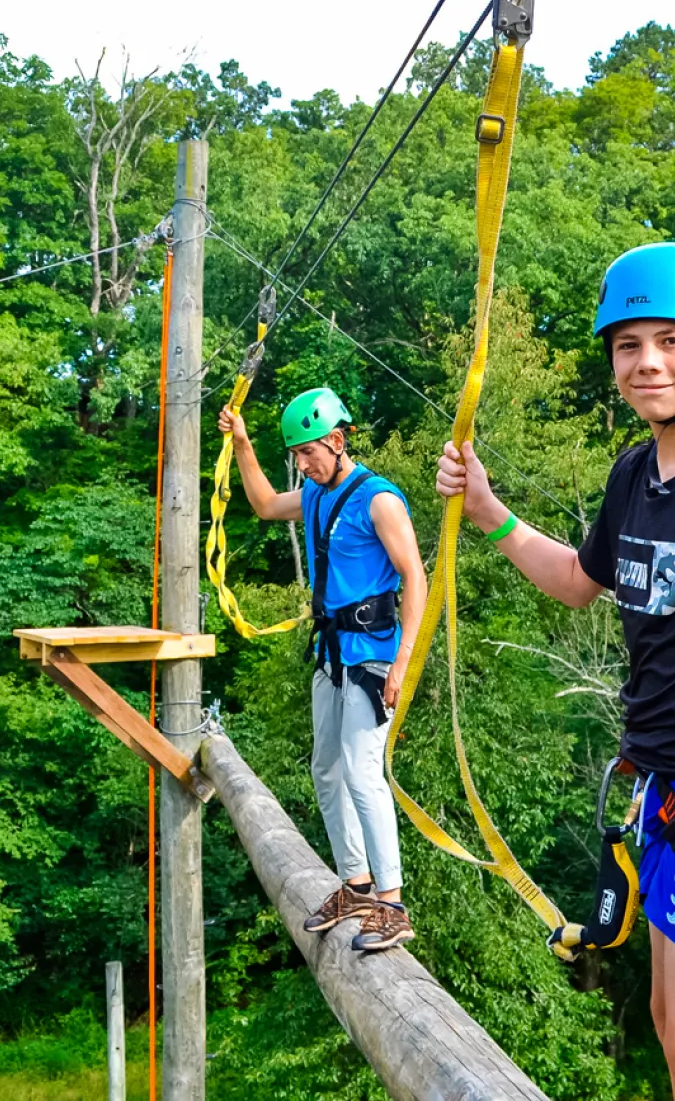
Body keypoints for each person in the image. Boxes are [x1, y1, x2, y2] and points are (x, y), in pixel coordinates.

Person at [436, 242, 675, 1100]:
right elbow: (578, 582)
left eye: (673, 342)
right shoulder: (635, 474)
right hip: (672, 794)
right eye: (628, 344)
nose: (648, 363)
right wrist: (491, 514)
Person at [219, 386, 427, 952]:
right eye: (297, 457)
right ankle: (355, 885)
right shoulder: (313, 494)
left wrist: (402, 664)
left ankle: (392, 903)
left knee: (362, 771)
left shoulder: (379, 500)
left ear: (337, 441)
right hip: (332, 654)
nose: (304, 466)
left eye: (309, 453)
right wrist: (242, 445)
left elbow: (416, 578)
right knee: (326, 770)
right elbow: (264, 506)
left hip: (373, 656)